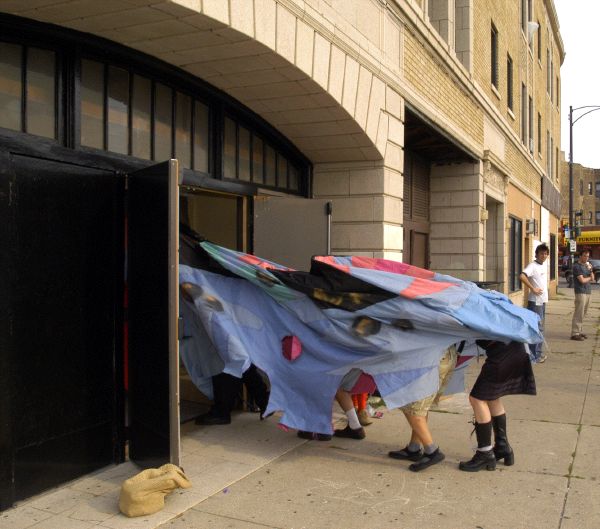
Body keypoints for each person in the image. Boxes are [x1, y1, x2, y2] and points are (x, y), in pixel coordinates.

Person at [458, 340, 536, 472]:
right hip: (515, 350)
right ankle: (502, 447)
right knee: (492, 397)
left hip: (503, 354)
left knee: (477, 399)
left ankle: (485, 453)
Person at [387, 344, 458, 472]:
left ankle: (432, 451)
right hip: (445, 353)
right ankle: (413, 448)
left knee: (413, 409)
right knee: (420, 407)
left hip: (431, 357)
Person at [519, 243, 549, 363]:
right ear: (536, 254)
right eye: (542, 253)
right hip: (535, 302)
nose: (544, 255)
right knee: (537, 328)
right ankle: (535, 356)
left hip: (542, 302)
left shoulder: (542, 266)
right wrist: (532, 288)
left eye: (546, 253)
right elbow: (522, 276)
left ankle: (534, 354)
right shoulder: (532, 265)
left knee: (539, 328)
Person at [571, 249, 594, 341]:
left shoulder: (586, 266)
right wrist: (589, 277)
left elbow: (592, 278)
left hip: (588, 291)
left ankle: (579, 331)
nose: (586, 257)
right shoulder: (577, 266)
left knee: (583, 313)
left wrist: (590, 269)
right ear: (580, 256)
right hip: (580, 292)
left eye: (588, 256)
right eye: (584, 255)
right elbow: (582, 280)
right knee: (579, 313)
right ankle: (575, 333)